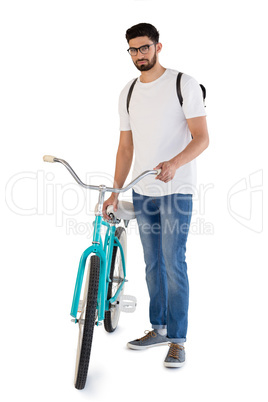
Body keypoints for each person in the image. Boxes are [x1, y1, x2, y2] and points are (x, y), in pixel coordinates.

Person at [103, 22, 209, 368]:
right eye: (133, 50)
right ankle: (159, 328)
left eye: (144, 48)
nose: (139, 55)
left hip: (176, 192)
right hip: (143, 192)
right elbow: (124, 147)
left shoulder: (183, 83)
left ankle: (178, 339)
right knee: (152, 265)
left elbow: (201, 137)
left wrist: (175, 163)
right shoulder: (128, 92)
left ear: (158, 47)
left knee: (173, 263)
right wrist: (116, 192)